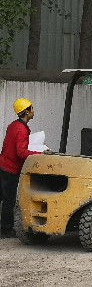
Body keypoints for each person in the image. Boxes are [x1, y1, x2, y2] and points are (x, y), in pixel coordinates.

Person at [0, 98, 41, 238]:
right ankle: (6, 230)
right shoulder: (22, 129)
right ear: (26, 112)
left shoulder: (13, 125)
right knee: (9, 200)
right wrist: (39, 153)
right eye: (32, 108)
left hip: (3, 164)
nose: (33, 111)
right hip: (10, 169)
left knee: (3, 197)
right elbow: (21, 152)